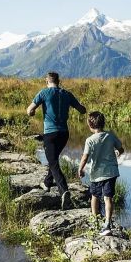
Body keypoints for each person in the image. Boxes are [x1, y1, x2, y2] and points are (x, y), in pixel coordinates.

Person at [26, 71, 86, 210]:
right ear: (59, 81)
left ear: (47, 81)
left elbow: (29, 110)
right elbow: (82, 110)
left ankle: (64, 190)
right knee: (53, 160)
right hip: (64, 134)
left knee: (53, 162)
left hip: (50, 134)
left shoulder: (43, 93)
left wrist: (32, 112)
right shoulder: (67, 94)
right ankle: (47, 183)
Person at [77, 111, 124, 235]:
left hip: (96, 174)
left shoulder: (90, 140)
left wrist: (80, 169)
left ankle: (95, 221)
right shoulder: (110, 135)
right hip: (111, 172)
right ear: (103, 123)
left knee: (94, 196)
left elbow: (85, 157)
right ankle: (107, 224)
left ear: (90, 125)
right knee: (108, 198)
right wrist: (118, 152)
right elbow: (121, 149)